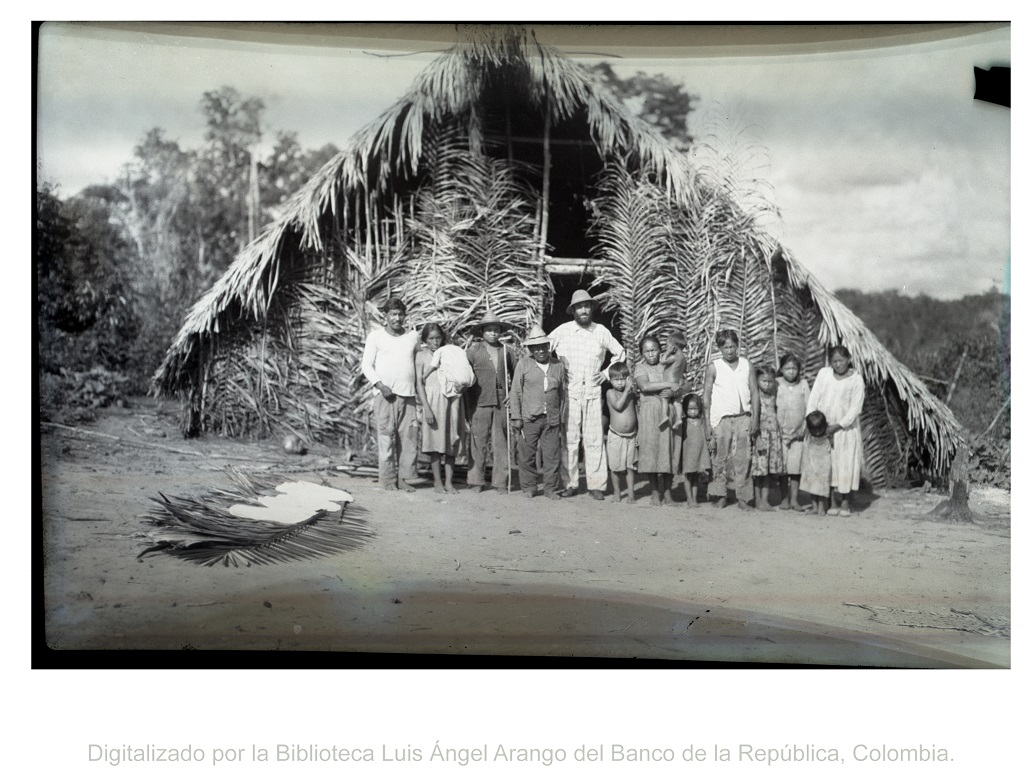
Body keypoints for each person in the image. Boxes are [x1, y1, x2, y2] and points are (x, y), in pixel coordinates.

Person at [548, 289, 626, 500]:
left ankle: (596, 485)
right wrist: (557, 367)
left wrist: (606, 373)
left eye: (586, 306)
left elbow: (620, 353)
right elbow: (541, 349)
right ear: (573, 310)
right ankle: (570, 483)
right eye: (579, 307)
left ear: (591, 308)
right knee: (570, 441)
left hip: (592, 392)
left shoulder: (601, 331)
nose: (583, 310)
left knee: (593, 440)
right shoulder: (562, 331)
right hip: (570, 393)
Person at [360, 297, 420, 491]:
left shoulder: (412, 337)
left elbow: (418, 363)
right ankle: (387, 480)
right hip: (386, 396)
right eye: (393, 314)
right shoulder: (376, 337)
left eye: (400, 314)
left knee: (408, 440)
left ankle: (403, 479)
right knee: (387, 439)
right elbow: (366, 365)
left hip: (409, 396)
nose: (397, 318)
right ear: (385, 316)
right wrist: (380, 385)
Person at [702, 329, 760, 510]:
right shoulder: (714, 367)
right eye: (725, 347)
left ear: (737, 346)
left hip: (743, 418)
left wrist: (755, 419)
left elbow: (755, 393)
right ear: (719, 348)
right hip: (721, 419)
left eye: (732, 346)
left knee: (744, 459)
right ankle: (720, 495)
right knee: (719, 458)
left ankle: (743, 498)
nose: (729, 351)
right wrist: (707, 425)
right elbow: (706, 396)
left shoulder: (746, 365)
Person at [806, 345, 865, 516]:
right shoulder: (824, 374)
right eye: (834, 361)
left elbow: (855, 409)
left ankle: (845, 503)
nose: (838, 364)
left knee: (845, 465)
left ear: (848, 359)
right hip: (822, 428)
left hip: (845, 430)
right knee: (828, 465)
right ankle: (832, 502)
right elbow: (814, 398)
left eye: (841, 360)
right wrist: (814, 423)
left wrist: (837, 426)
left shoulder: (856, 380)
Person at [509, 325, 565, 501]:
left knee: (552, 456)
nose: (540, 350)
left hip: (552, 419)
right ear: (531, 349)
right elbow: (516, 391)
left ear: (548, 347)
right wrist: (516, 417)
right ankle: (529, 486)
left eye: (543, 346)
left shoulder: (558, 366)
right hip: (529, 418)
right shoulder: (523, 365)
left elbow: (562, 394)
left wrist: (560, 416)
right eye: (536, 347)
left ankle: (550, 488)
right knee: (527, 455)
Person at [464, 311, 518, 494]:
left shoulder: (506, 351)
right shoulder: (473, 352)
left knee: (501, 443)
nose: (493, 333)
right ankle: (476, 481)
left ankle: (500, 482)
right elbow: (464, 376)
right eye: (489, 330)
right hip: (479, 401)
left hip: (501, 402)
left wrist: (511, 392)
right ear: (482, 332)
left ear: (501, 332)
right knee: (478, 442)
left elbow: (517, 375)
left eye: (496, 330)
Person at [415, 323, 470, 495]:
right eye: (430, 338)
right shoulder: (421, 356)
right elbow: (419, 383)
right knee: (434, 444)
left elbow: (461, 374)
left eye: (438, 337)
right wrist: (427, 409)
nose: (435, 341)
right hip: (432, 401)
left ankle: (449, 482)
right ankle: (437, 482)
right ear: (424, 340)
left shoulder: (449, 353)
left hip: (451, 401)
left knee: (451, 441)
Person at [634, 335, 679, 506]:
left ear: (660, 350)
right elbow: (644, 386)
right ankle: (654, 493)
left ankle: (668, 493)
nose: (651, 354)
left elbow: (682, 383)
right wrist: (669, 384)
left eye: (654, 350)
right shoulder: (640, 368)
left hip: (667, 411)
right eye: (647, 351)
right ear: (642, 354)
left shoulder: (668, 364)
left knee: (667, 450)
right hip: (649, 412)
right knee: (651, 451)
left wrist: (674, 391)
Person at [776, 353, 810, 511]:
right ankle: (784, 499)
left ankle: (795, 500)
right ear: (781, 369)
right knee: (782, 469)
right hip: (780, 434)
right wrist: (779, 431)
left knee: (795, 469)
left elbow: (809, 408)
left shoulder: (803, 384)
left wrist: (801, 431)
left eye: (794, 368)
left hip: (798, 435)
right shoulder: (776, 383)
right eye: (787, 368)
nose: (791, 372)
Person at [752, 365, 785, 511]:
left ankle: (765, 500)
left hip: (773, 436)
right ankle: (757, 500)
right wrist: (757, 437)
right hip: (760, 436)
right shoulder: (754, 396)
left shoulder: (774, 395)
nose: (766, 384)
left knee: (767, 472)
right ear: (757, 380)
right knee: (758, 471)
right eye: (763, 381)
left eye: (770, 381)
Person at [605, 361, 638, 504]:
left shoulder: (631, 394)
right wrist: (626, 391)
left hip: (631, 435)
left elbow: (636, 412)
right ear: (610, 381)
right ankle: (617, 493)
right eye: (616, 379)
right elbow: (618, 406)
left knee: (630, 466)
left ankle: (631, 494)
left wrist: (640, 432)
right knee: (615, 467)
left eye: (622, 379)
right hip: (616, 435)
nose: (619, 383)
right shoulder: (610, 393)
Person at [680, 393, 711, 508]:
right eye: (689, 409)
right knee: (688, 477)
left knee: (696, 477)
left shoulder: (702, 422)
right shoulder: (683, 422)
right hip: (688, 454)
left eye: (695, 409)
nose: (692, 412)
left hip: (699, 453)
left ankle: (694, 498)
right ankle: (689, 499)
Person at [799, 410, 832, 516]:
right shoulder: (808, 436)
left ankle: (821, 507)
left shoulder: (827, 437)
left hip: (822, 466)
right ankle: (814, 506)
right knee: (811, 484)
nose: (817, 433)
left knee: (821, 485)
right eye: (814, 430)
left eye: (820, 429)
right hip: (811, 464)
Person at [660, 331, 689, 430]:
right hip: (678, 383)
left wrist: (667, 352)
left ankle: (664, 416)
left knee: (664, 397)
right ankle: (679, 419)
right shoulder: (684, 358)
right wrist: (680, 378)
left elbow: (662, 361)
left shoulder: (675, 356)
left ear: (673, 346)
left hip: (670, 383)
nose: (667, 347)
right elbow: (685, 371)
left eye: (668, 345)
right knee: (677, 401)